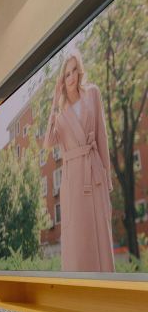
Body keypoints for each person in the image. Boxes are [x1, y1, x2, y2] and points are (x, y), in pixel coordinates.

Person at [43, 51, 115, 272]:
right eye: (67, 74)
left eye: (74, 70)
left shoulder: (92, 93)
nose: (72, 76)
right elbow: (48, 142)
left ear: (80, 71)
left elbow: (102, 137)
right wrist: (55, 100)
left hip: (93, 173)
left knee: (100, 236)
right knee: (77, 243)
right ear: (62, 81)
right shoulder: (61, 114)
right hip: (72, 181)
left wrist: (107, 180)